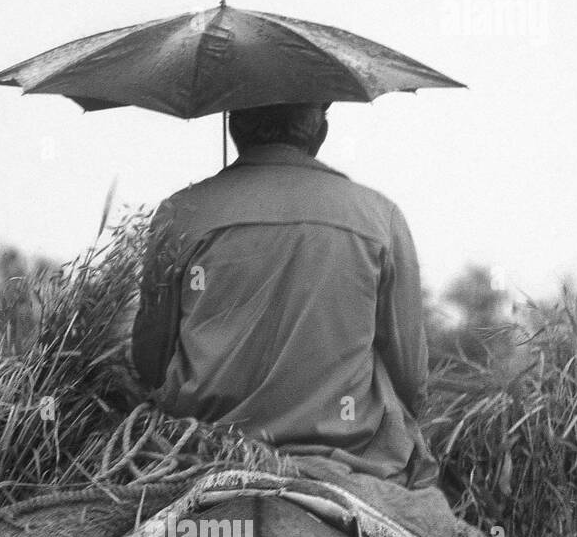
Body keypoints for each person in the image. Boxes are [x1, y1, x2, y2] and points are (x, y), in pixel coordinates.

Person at [131, 101, 438, 489]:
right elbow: (409, 374)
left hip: (200, 454)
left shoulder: (179, 213)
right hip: (353, 461)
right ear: (319, 133)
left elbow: (149, 362)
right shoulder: (380, 216)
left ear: (233, 129)